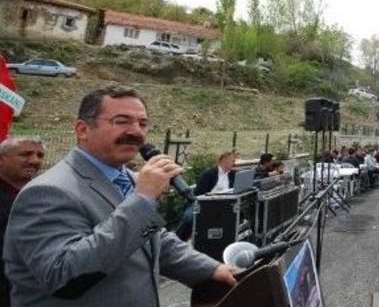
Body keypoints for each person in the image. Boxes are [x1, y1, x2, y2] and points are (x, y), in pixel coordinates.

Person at [4, 85, 235, 307]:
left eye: (142, 123)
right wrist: (143, 199)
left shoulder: (130, 179)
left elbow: (154, 241)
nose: (136, 132)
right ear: (83, 130)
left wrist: (212, 269)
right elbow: (63, 275)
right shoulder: (47, 192)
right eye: (121, 121)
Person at [0, 136, 45, 307]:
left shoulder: (44, 194)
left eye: (40, 156)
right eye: (25, 154)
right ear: (1, 159)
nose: (34, 160)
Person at [175, 151, 237, 240]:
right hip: (203, 202)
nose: (234, 163)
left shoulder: (232, 174)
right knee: (189, 217)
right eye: (232, 161)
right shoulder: (209, 174)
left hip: (224, 203)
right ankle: (178, 239)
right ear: (224, 160)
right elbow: (198, 193)